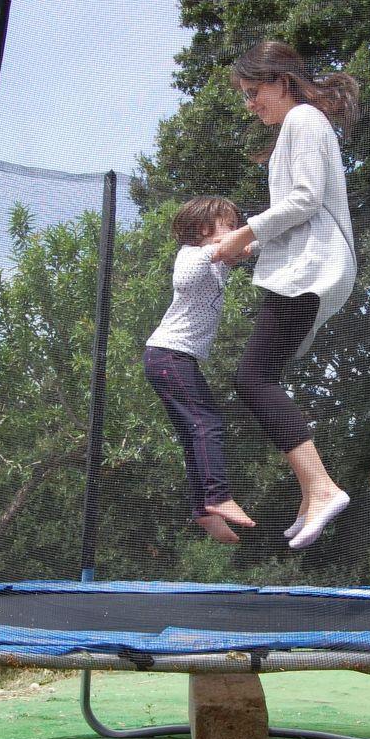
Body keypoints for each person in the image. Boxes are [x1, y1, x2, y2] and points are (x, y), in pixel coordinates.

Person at [209, 41, 358, 551]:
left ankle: (322, 487)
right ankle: (312, 491)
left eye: (254, 92)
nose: (250, 104)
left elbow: (305, 199)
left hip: (312, 270)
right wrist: (249, 248)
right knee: (259, 377)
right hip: (306, 266)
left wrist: (243, 233)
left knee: (252, 378)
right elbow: (300, 214)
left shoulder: (304, 120)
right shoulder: (300, 126)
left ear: (281, 81)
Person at [144, 196, 255, 544]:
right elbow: (185, 279)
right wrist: (216, 250)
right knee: (207, 423)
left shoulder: (216, 260)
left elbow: (248, 246)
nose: (234, 230)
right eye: (228, 225)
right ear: (204, 229)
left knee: (194, 432)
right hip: (169, 355)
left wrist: (251, 242)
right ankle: (217, 496)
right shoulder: (191, 255)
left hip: (174, 359)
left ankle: (203, 510)